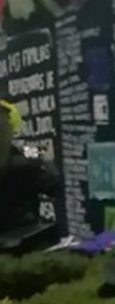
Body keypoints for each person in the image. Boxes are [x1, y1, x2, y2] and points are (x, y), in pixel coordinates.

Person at [0, 100, 62, 253]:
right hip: (23, 243)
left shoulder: (23, 164)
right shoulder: (24, 165)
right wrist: (48, 163)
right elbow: (56, 188)